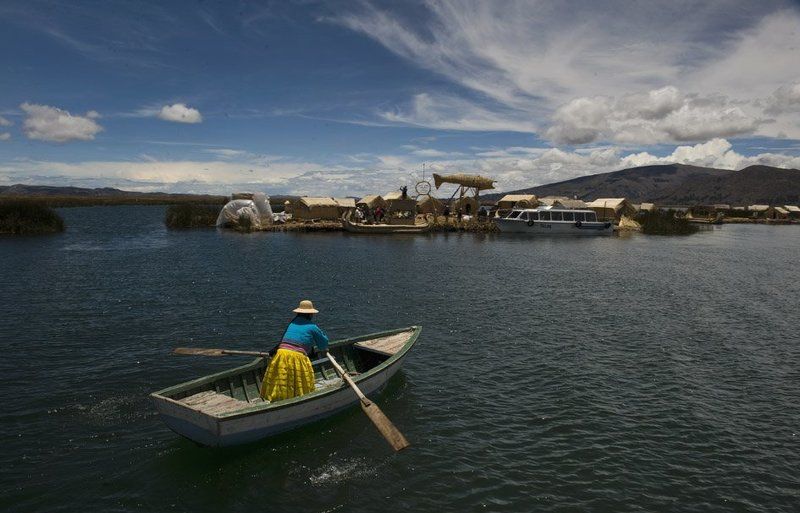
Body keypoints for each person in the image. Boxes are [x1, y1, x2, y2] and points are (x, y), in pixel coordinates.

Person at [260, 300, 329, 402]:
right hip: (296, 357)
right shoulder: (312, 327)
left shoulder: (292, 323)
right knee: (300, 382)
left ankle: (279, 399)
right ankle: (299, 401)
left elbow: (284, 341)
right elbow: (323, 344)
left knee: (282, 380)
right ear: (310, 314)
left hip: (280, 354)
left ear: (298, 313)